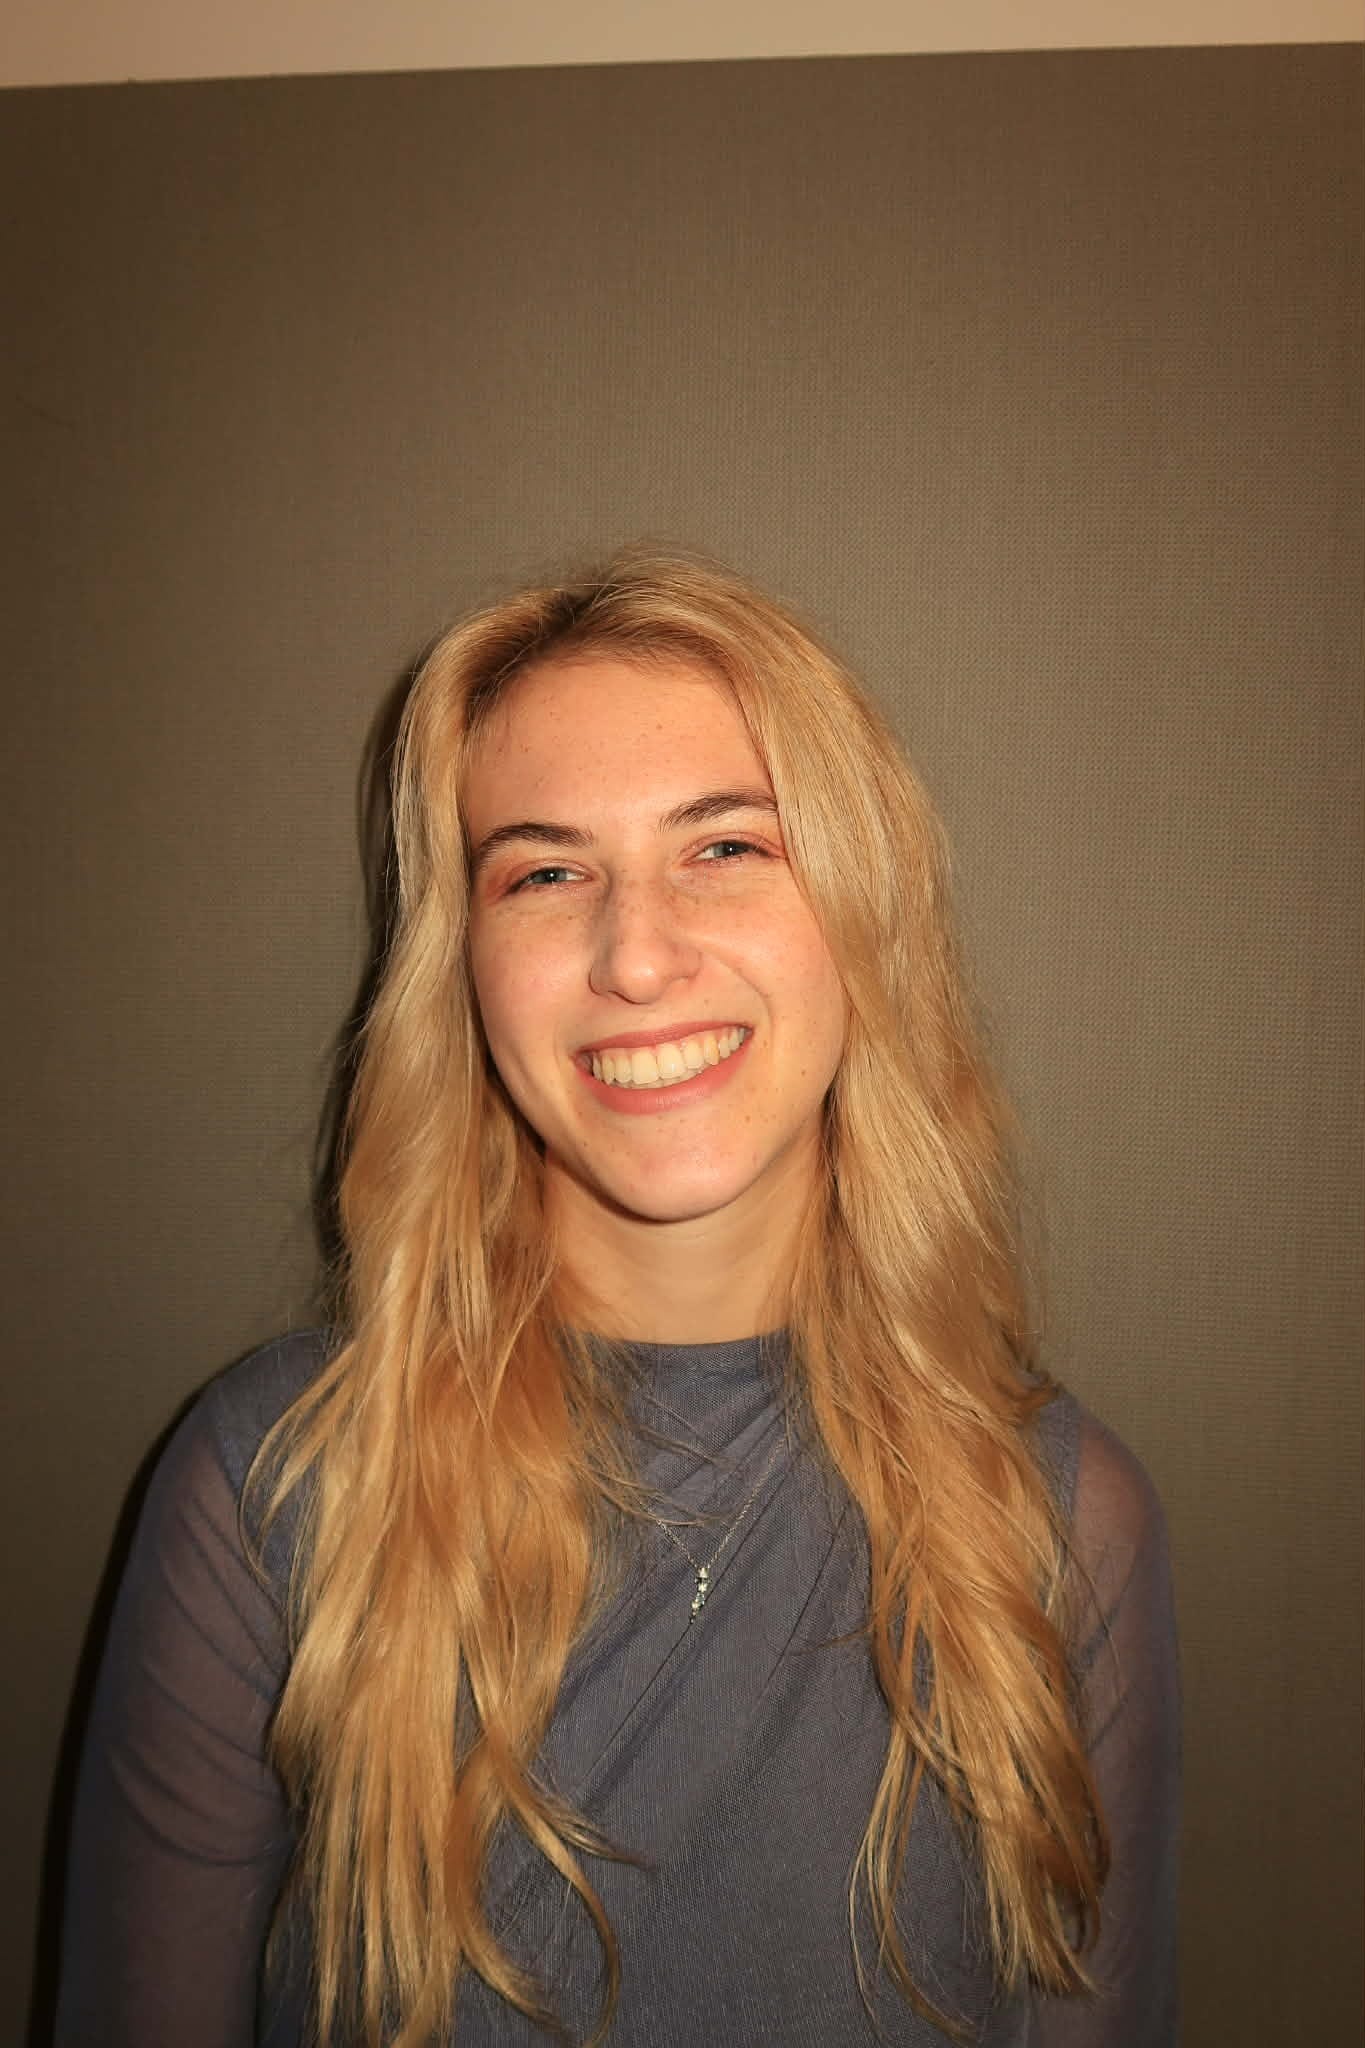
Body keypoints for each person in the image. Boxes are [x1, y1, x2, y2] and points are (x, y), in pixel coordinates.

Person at [56, 552, 1179, 2047]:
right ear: (463, 965)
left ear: (861, 910)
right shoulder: (280, 1484)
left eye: (726, 846)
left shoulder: (1060, 1519)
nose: (637, 956)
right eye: (544, 872)